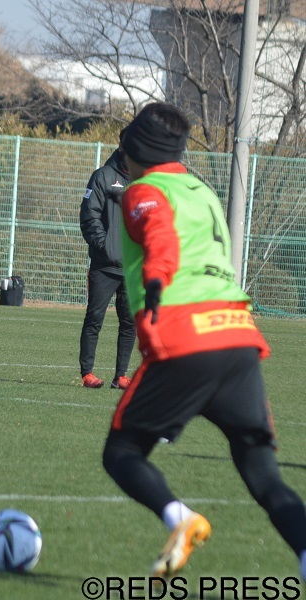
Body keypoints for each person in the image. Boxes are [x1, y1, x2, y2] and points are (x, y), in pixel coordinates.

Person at [101, 102, 306, 580]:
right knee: (262, 472)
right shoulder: (202, 191)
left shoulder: (143, 191)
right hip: (237, 339)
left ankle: (181, 518)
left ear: (136, 149)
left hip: (186, 340)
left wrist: (155, 279)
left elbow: (160, 239)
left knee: (122, 453)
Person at [79, 128, 136, 389]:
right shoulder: (102, 176)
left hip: (133, 267)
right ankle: (87, 373)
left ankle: (121, 376)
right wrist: (106, 246)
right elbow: (89, 216)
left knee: (130, 323)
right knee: (94, 318)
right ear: (122, 145)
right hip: (104, 266)